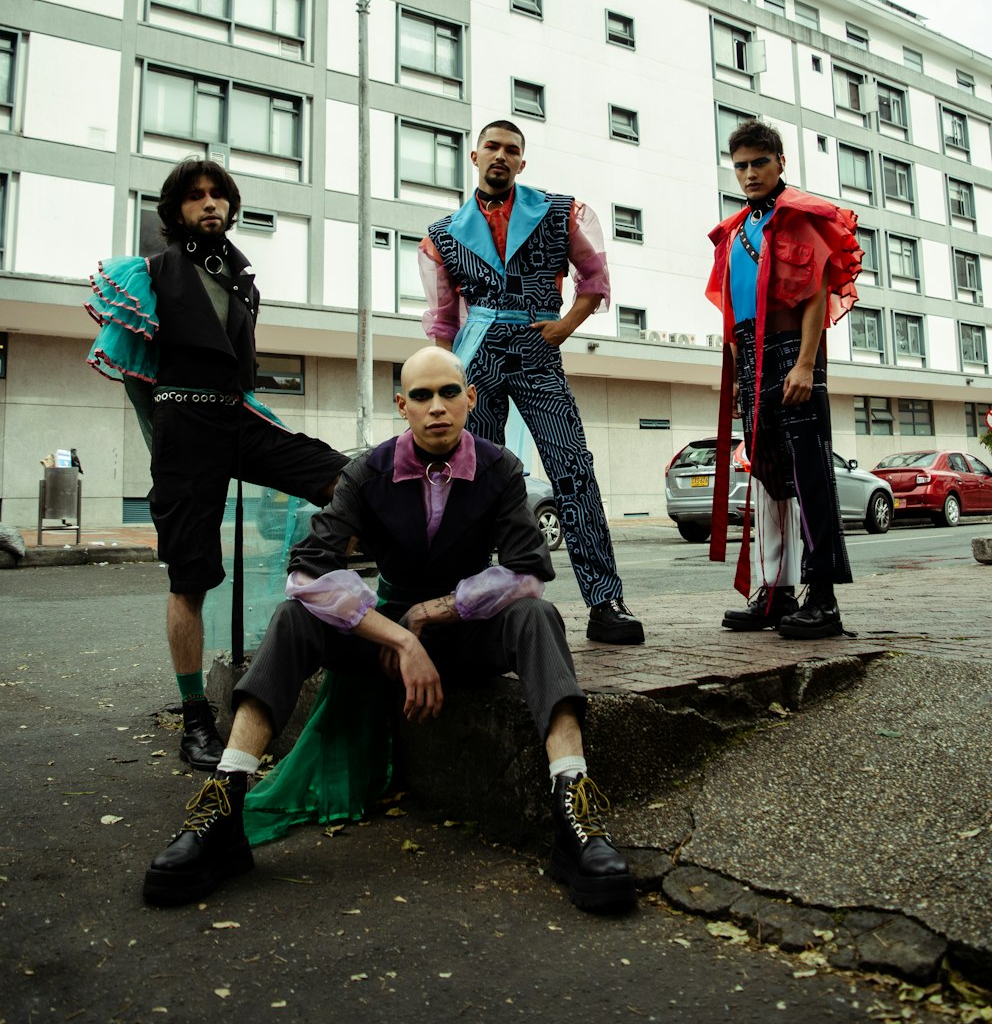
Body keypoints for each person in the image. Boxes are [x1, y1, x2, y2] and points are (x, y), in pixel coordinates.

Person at [142, 346, 635, 913]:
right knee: (294, 618)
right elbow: (306, 574)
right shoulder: (368, 470)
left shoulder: (499, 467)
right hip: (380, 639)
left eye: (449, 392)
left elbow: (527, 574)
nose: (437, 408)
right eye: (421, 396)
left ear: (471, 398)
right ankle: (223, 805)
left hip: (462, 634)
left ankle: (575, 810)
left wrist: (435, 612)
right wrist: (397, 635)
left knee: (538, 616)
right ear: (402, 406)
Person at [85, 159, 348, 770]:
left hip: (237, 417)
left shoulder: (241, 277)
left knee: (346, 477)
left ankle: (327, 585)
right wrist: (166, 448)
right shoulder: (147, 272)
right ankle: (196, 716)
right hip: (183, 429)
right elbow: (132, 374)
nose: (209, 204)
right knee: (190, 577)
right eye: (196, 197)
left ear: (230, 206)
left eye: (218, 196)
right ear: (177, 210)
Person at [417, 121, 643, 646]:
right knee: (473, 477)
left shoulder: (561, 213)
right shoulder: (444, 234)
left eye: (511, 150)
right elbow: (443, 321)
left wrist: (565, 326)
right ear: (474, 155)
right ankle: (473, 602)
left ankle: (605, 600)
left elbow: (594, 280)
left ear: (522, 162)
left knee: (573, 467)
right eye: (492, 147)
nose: (500, 156)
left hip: (540, 350)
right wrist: (447, 380)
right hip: (477, 358)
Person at [705, 121, 862, 638]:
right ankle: (775, 593)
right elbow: (732, 307)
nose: (750, 174)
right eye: (742, 166)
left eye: (759, 163)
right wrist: (736, 373)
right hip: (750, 356)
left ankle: (824, 599)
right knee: (768, 477)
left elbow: (817, 294)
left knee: (810, 474)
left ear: (779, 163)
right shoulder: (732, 232)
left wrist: (805, 364)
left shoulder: (799, 217)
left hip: (794, 351)